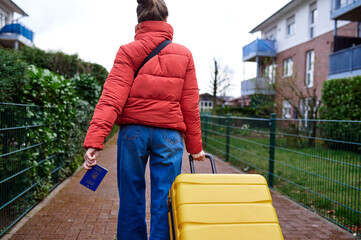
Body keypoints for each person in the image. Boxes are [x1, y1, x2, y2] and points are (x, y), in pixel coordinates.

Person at [82, 0, 205, 239]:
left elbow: (111, 98)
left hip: (132, 134)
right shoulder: (184, 54)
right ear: (166, 21)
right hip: (169, 137)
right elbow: (190, 104)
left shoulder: (128, 51)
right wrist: (196, 147)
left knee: (131, 196)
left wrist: (95, 141)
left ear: (140, 21)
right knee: (165, 198)